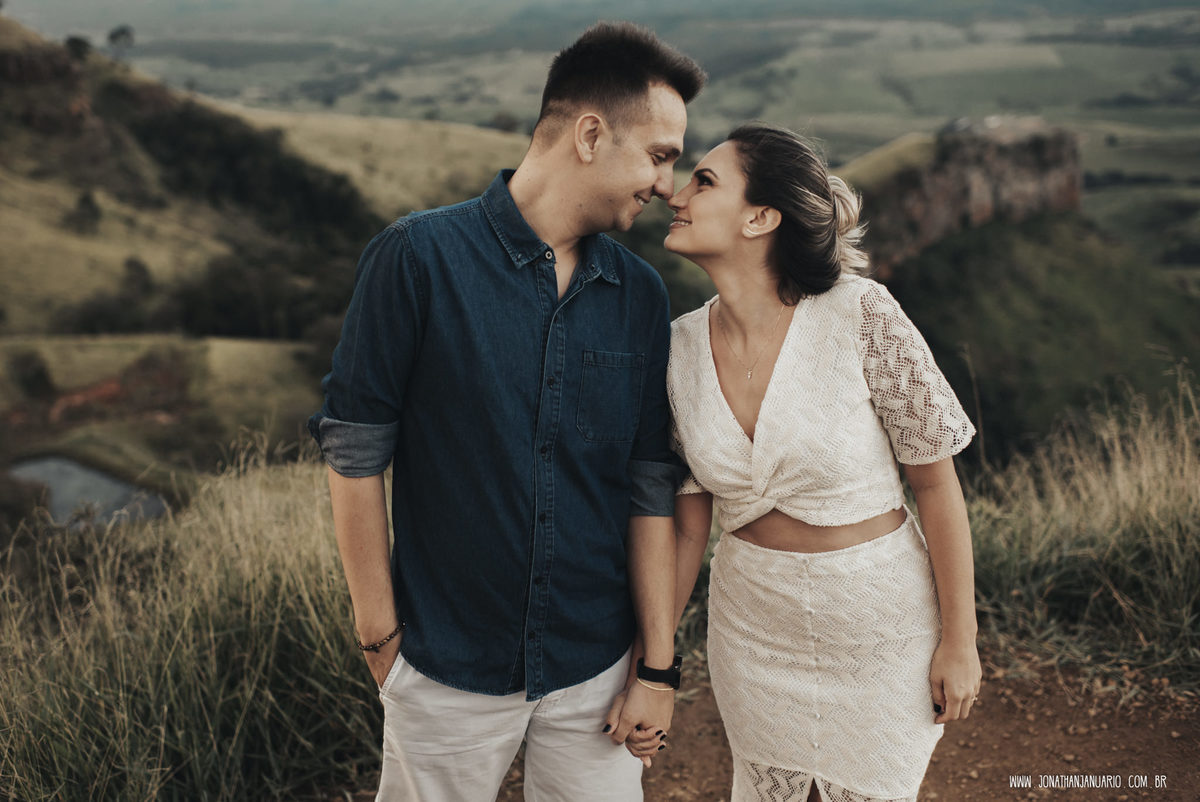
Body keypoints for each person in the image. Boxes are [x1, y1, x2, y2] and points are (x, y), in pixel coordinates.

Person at [307, 22, 706, 802]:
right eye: (660, 155)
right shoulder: (416, 259)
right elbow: (354, 455)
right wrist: (380, 637)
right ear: (591, 134)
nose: (667, 184)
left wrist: (656, 666)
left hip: (596, 668)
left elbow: (649, 486)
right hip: (444, 665)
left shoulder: (641, 296)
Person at [645, 122, 982, 801]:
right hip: (753, 634)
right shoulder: (676, 350)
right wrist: (654, 666)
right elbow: (685, 530)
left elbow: (936, 485)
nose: (675, 195)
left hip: (881, 630)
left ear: (761, 217)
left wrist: (961, 640)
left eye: (704, 181)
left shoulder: (861, 313)